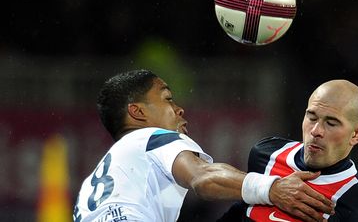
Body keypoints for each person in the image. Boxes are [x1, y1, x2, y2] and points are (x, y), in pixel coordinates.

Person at [73, 69, 334, 222]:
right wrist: (272, 188)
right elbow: (203, 177)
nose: (179, 108)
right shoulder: (151, 137)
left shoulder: (95, 183)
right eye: (168, 99)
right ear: (137, 112)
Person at [218, 79, 358, 221]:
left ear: (356, 135)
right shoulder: (266, 153)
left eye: (331, 123)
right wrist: (270, 189)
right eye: (311, 117)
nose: (316, 131)